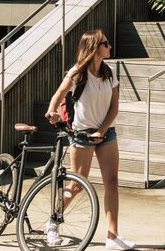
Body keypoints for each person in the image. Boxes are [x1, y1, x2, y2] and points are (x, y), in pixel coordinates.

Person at [45, 29, 133, 250]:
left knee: (111, 182)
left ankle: (112, 237)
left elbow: (114, 108)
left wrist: (102, 131)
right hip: (82, 135)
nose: (110, 47)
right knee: (76, 185)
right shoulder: (78, 73)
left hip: (105, 134)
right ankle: (52, 223)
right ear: (94, 47)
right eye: (106, 43)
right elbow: (58, 94)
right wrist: (51, 111)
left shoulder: (110, 73)